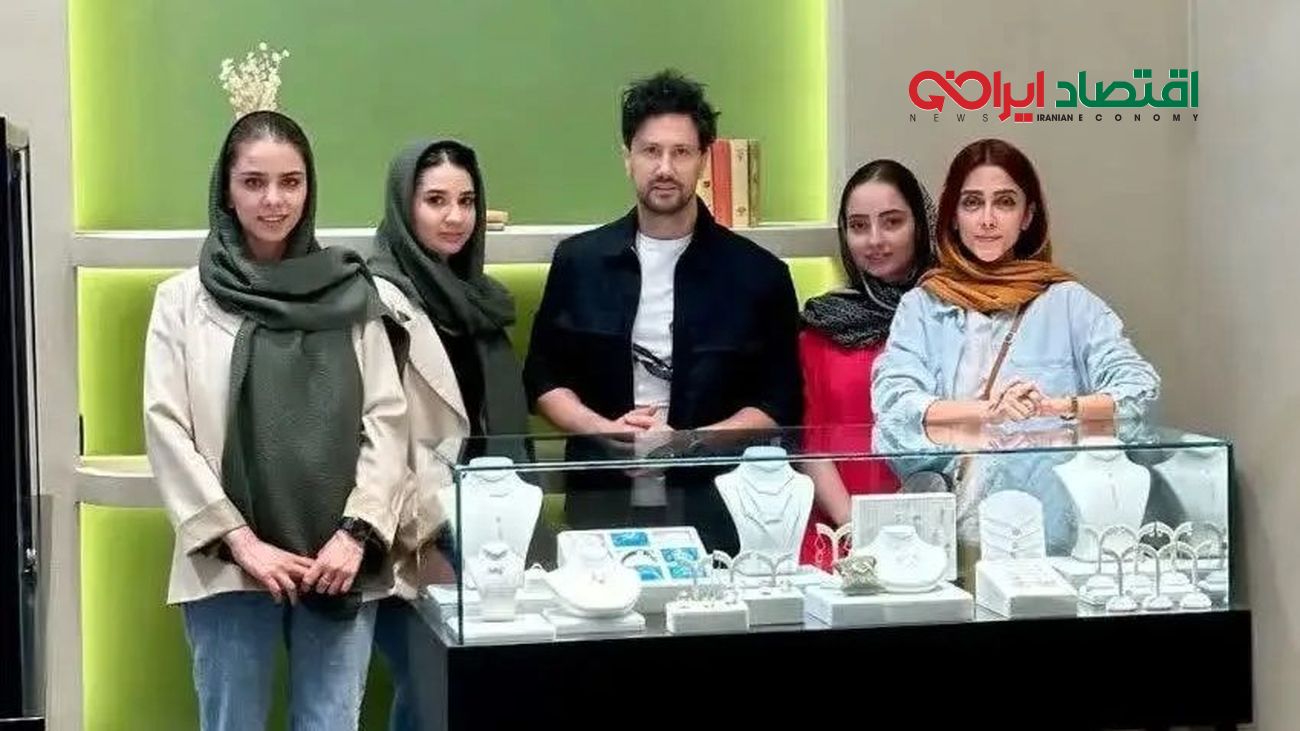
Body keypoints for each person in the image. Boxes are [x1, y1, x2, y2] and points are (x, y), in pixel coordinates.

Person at [143, 110, 408, 731]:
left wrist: (355, 534)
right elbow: (166, 428)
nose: (273, 200)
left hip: (337, 559)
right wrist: (242, 543)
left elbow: (387, 420)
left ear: (309, 188)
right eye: (253, 182)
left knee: (329, 722)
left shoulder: (349, 292)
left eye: (291, 182)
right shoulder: (181, 301)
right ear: (226, 190)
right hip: (230, 562)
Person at [523, 69, 802, 552]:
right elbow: (544, 381)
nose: (665, 168)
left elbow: (779, 405)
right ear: (627, 158)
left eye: (681, 152)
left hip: (717, 508)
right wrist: (604, 430)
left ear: (704, 159)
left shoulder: (760, 274)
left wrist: (687, 441)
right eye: (651, 151)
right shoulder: (578, 262)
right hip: (600, 503)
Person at [871, 137, 1159, 553]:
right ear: (953, 216)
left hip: (1048, 538)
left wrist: (1053, 407)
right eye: (972, 203)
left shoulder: (1068, 303)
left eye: (1004, 203)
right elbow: (895, 411)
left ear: (1027, 216)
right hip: (949, 539)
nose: (988, 219)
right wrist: (991, 412)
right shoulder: (922, 306)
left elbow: (1139, 391)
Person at [367, 138, 529, 730]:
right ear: (403, 206)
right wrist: (428, 544)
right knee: (429, 686)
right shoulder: (375, 301)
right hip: (412, 535)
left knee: (481, 693)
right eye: (435, 200)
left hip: (490, 525)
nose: (455, 216)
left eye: (466, 200)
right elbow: (371, 440)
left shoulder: (478, 301)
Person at [797, 159, 936, 569]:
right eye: (858, 226)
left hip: (935, 527)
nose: (874, 240)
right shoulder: (821, 326)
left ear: (920, 226)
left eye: (892, 222)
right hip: (838, 534)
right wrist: (856, 529)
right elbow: (810, 444)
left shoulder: (951, 317)